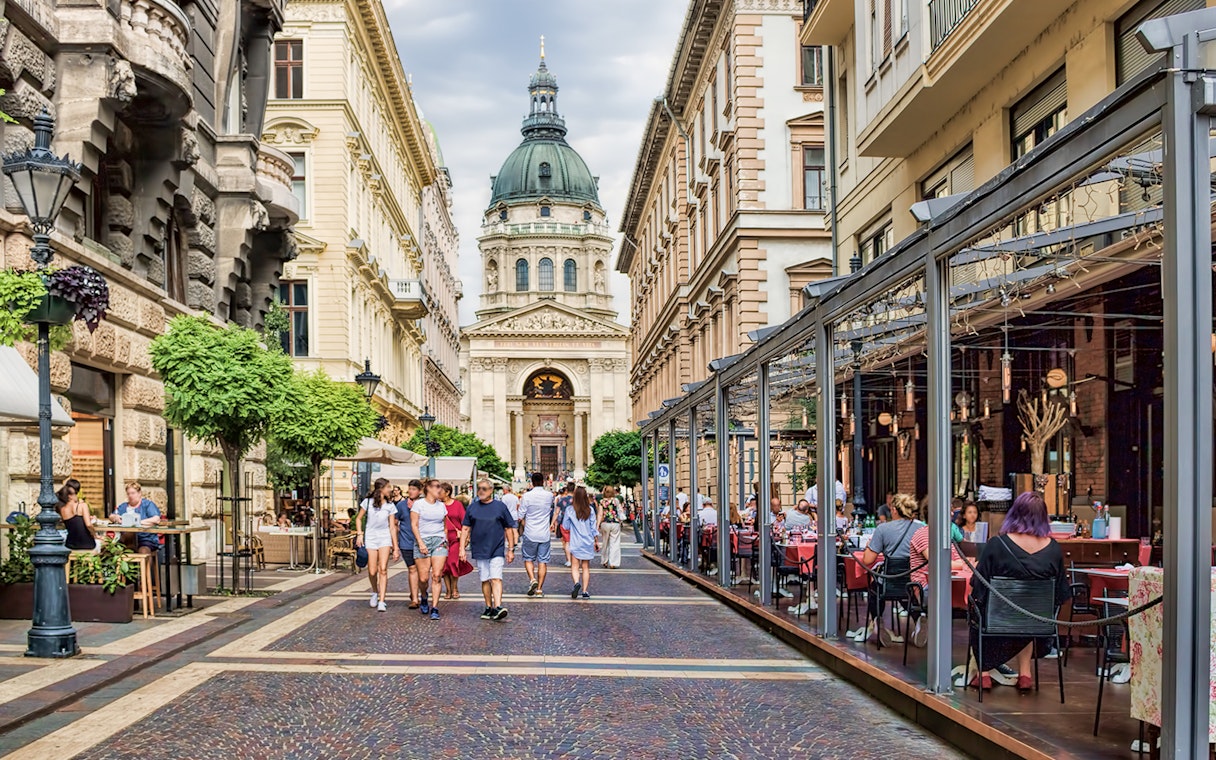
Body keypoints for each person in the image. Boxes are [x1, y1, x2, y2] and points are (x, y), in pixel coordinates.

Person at [967, 491, 1070, 692]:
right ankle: (1025, 674)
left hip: (996, 621)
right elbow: (1061, 593)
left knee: (979, 608)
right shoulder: (1054, 548)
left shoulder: (997, 544)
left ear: (1015, 513)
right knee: (1026, 615)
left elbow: (978, 585)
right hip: (1036, 623)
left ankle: (984, 673)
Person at [852, 493, 923, 644]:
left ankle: (877, 620)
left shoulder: (883, 529)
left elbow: (868, 559)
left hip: (890, 581)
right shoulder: (921, 528)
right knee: (905, 590)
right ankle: (918, 620)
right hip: (915, 582)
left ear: (895, 510)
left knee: (875, 588)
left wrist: (869, 545)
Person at [460, 479, 518, 621]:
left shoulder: (500, 507)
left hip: (497, 548)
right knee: (485, 579)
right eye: (479, 488)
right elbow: (465, 528)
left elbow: (508, 528)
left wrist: (510, 549)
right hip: (479, 548)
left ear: (491, 490)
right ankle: (488, 607)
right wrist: (462, 549)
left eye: (484, 489)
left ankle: (498, 606)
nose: (481, 491)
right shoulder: (472, 507)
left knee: (496, 577)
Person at [906, 522, 966, 647]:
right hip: (927, 588)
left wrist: (954, 563)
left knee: (977, 598)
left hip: (950, 586)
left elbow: (960, 561)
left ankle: (976, 659)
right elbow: (936, 561)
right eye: (948, 509)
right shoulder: (922, 534)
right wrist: (954, 564)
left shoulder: (945, 535)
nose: (952, 513)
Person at [355, 478, 400, 612]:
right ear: (381, 489)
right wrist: (359, 534)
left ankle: (382, 599)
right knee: (372, 570)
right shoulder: (367, 502)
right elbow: (358, 518)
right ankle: (375, 591)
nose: (390, 490)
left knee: (383, 569)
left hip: (384, 537)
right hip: (371, 537)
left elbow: (392, 527)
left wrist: (395, 547)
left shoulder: (390, 505)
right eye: (388, 487)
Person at [411, 479, 449, 621]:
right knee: (423, 578)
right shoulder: (418, 505)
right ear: (428, 488)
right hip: (423, 541)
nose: (440, 489)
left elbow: (444, 524)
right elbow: (414, 525)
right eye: (437, 487)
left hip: (439, 541)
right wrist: (420, 542)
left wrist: (444, 538)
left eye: (440, 487)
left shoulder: (441, 506)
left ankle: (435, 607)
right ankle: (424, 596)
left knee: (437, 575)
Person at [518, 471, 555, 596]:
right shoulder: (549, 495)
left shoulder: (527, 496)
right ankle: (539, 589)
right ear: (543, 482)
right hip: (544, 534)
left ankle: (532, 579)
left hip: (530, 532)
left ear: (531, 482)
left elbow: (520, 515)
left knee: (528, 559)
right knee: (542, 562)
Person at [562, 486, 600, 599]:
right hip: (587, 541)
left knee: (575, 566)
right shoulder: (590, 510)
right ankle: (584, 591)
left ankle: (576, 583)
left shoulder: (570, 509)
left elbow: (565, 526)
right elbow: (593, 528)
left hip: (576, 541)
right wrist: (596, 540)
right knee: (585, 567)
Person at [440, 482, 472, 599]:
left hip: (455, 539)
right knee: (443, 566)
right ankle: (447, 590)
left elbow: (465, 522)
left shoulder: (457, 504)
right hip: (441, 539)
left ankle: (454, 588)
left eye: (440, 491)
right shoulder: (437, 505)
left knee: (452, 563)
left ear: (447, 492)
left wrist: (466, 536)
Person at [110, 482, 161, 555]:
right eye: (128, 494)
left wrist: (136, 522)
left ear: (139, 493)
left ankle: (144, 566)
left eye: (133, 493)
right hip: (126, 540)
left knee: (144, 551)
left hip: (145, 538)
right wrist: (116, 517)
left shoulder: (147, 505)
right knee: (109, 549)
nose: (130, 496)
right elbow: (112, 516)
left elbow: (156, 519)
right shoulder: (124, 506)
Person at [396, 480, 423, 609]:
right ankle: (414, 598)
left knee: (422, 572)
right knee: (412, 569)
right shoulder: (401, 506)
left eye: (414, 489)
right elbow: (394, 523)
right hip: (406, 542)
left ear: (420, 491)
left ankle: (421, 594)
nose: (411, 491)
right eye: (410, 489)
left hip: (422, 542)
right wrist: (395, 542)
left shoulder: (425, 504)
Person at [60, 479, 97, 551]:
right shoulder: (82, 505)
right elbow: (88, 525)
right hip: (87, 544)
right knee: (103, 544)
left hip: (70, 544)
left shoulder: (62, 508)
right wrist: (94, 534)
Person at [599, 485, 623, 569]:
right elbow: (621, 511)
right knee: (615, 543)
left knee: (605, 543)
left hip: (605, 523)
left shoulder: (602, 501)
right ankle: (613, 562)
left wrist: (597, 525)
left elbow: (600, 514)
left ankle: (604, 560)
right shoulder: (616, 501)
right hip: (615, 523)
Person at [555, 482, 575, 567]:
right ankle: (575, 560)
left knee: (567, 542)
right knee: (575, 541)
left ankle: (569, 560)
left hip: (564, 522)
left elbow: (556, 512)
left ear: (566, 490)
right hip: (575, 523)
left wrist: (552, 523)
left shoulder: (562, 499)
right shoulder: (577, 500)